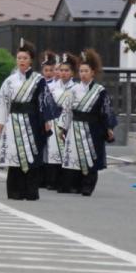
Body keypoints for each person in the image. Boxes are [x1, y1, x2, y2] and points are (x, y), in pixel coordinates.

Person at [0, 44, 58, 201]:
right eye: (19, 58)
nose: (22, 61)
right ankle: (15, 191)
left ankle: (31, 191)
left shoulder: (38, 80)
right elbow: (3, 100)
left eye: (25, 58)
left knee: (31, 153)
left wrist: (47, 119)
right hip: (13, 121)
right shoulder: (10, 80)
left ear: (31, 60)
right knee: (14, 153)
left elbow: (44, 100)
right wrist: (0, 120)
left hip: (32, 120)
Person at [60, 49, 117, 197]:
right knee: (76, 156)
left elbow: (106, 111)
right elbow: (67, 110)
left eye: (86, 71)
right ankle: (76, 184)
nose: (83, 74)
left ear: (93, 72)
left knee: (91, 156)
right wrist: (63, 128)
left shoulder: (100, 91)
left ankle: (88, 186)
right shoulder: (74, 90)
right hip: (76, 125)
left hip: (93, 128)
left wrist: (109, 127)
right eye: (81, 71)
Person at [43, 53, 79, 191]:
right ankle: (52, 181)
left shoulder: (75, 88)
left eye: (66, 70)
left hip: (69, 121)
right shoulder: (51, 87)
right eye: (61, 70)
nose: (63, 73)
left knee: (68, 151)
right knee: (53, 151)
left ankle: (69, 182)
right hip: (54, 120)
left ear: (72, 73)